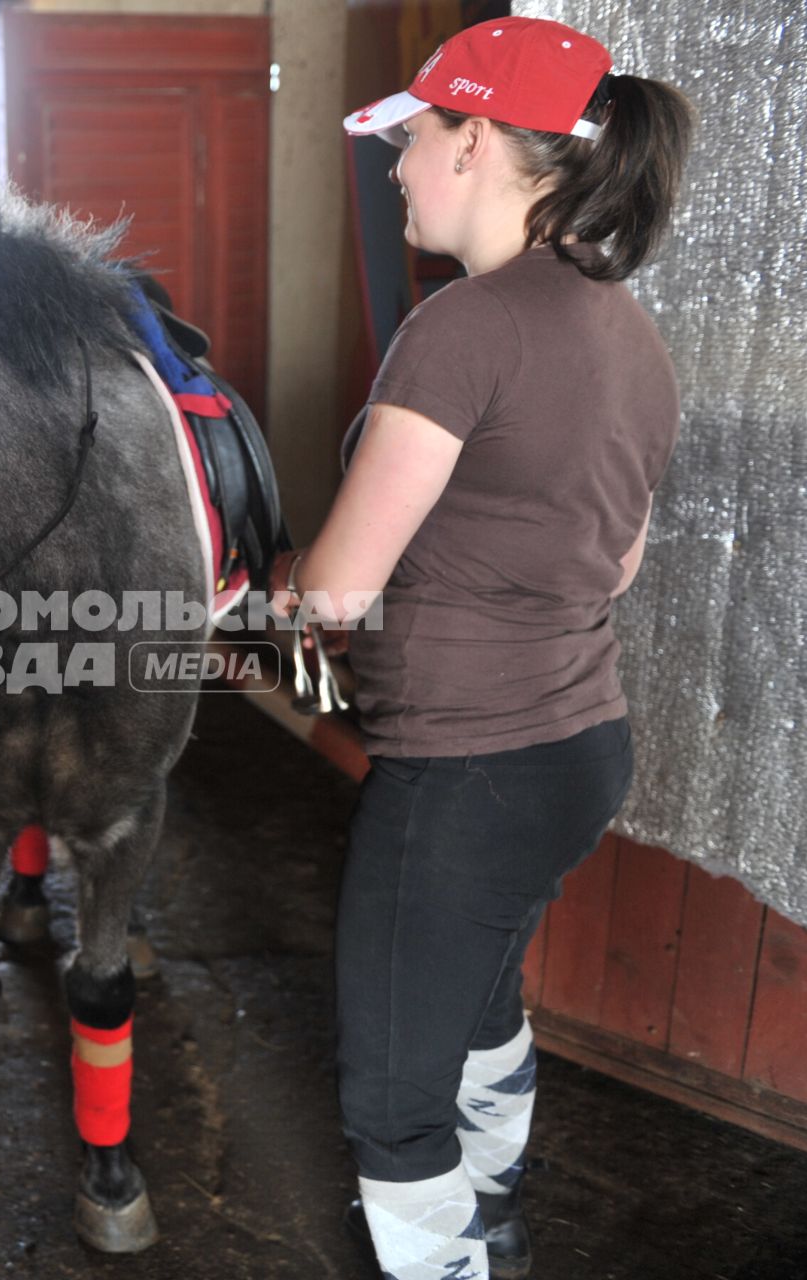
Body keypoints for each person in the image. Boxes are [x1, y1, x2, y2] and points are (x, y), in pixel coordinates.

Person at [272, 17, 692, 1279]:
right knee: (480, 997)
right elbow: (612, 562)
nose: (397, 167)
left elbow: (338, 591)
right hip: (575, 751)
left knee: (390, 1090)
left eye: (412, 140)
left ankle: (456, 1260)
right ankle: (497, 1202)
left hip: (466, 769)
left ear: (474, 141)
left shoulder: (460, 328)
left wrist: (269, 592)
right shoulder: (628, 329)